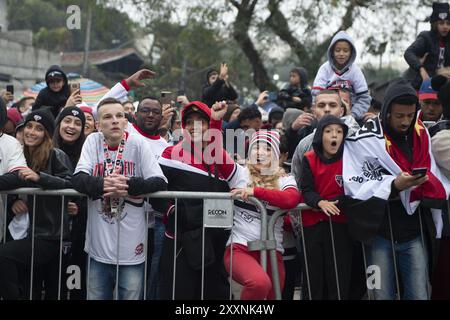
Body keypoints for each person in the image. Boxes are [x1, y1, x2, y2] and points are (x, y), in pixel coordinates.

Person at [343, 79, 450, 300]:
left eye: (410, 116)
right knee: (380, 294)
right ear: (387, 113)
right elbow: (356, 182)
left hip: (414, 234)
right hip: (378, 236)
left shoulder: (421, 136)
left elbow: (433, 173)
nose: (405, 121)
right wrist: (393, 185)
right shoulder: (366, 138)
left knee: (419, 294)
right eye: (399, 116)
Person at [72, 98, 167, 300]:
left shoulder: (137, 143)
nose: (115, 121)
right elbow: (78, 179)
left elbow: (160, 182)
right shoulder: (92, 141)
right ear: (98, 125)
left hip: (131, 249)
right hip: (98, 248)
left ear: (126, 121)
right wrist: (103, 184)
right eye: (107, 117)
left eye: (119, 116)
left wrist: (127, 186)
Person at [155, 101, 243, 299]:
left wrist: (216, 122)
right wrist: (173, 212)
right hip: (181, 240)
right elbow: (156, 191)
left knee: (213, 294)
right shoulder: (171, 153)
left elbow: (240, 182)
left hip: (215, 238)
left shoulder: (222, 157)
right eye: (189, 122)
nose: (194, 126)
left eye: (201, 122)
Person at [0, 109, 73, 300]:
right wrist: (15, 202)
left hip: (49, 236)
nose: (32, 132)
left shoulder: (56, 155)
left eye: (39, 128)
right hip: (22, 233)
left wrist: (40, 177)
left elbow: (70, 184)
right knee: (28, 288)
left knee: (4, 256)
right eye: (29, 126)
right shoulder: (19, 153)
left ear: (47, 134)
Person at [225, 130, 301, 300]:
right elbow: (216, 154)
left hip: (273, 251)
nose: (260, 153)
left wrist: (256, 192)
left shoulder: (285, 180)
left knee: (274, 295)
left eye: (267, 149)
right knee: (259, 283)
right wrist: (215, 121)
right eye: (256, 148)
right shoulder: (239, 173)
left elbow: (291, 199)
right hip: (239, 248)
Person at [300, 115, 352, 299]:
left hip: (340, 225)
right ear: (320, 135)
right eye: (329, 131)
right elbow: (306, 190)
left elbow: (355, 190)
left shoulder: (350, 159)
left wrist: (338, 203)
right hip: (313, 225)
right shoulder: (309, 158)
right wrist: (320, 202)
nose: (334, 136)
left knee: (338, 275)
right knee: (313, 276)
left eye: (339, 131)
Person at [291, 90, 360, 187]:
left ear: (341, 111)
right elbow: (296, 182)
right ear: (314, 112)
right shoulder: (305, 144)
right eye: (321, 105)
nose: (327, 109)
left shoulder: (357, 139)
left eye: (332, 105)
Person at [52, 106, 87, 299]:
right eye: (67, 121)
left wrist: (78, 207)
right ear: (59, 124)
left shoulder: (87, 152)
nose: (71, 126)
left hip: (78, 233)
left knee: (75, 285)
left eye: (77, 123)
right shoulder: (46, 149)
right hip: (49, 231)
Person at [312, 31, 371, 121]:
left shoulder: (355, 71)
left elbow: (364, 98)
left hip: (351, 115)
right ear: (332, 52)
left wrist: (353, 115)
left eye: (346, 50)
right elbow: (316, 95)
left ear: (351, 53)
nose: (341, 54)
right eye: (337, 50)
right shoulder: (324, 69)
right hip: (327, 113)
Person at [404, 2, 450, 90]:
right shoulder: (426, 38)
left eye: (448, 23)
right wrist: (421, 69)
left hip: (444, 86)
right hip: (423, 84)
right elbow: (409, 53)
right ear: (434, 24)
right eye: (441, 23)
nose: (445, 27)